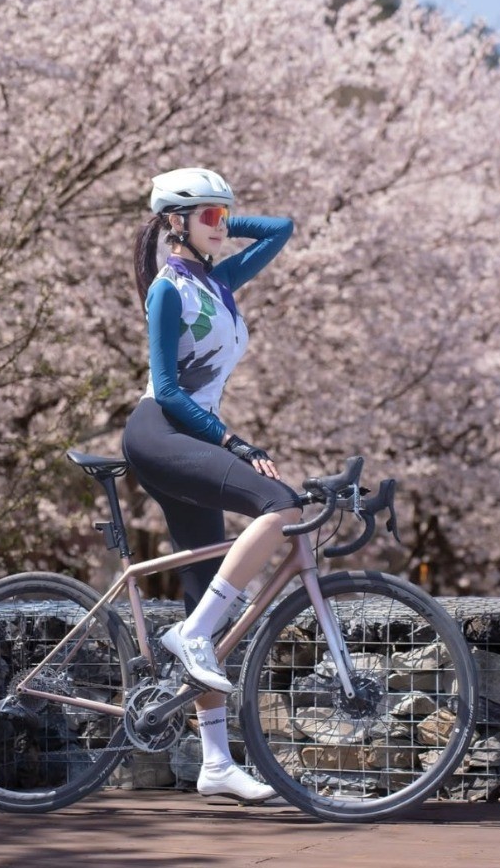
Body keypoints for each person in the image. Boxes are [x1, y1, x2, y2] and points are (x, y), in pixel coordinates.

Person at [123, 167, 301, 804]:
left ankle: (217, 761)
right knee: (279, 502)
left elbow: (280, 230)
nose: (223, 228)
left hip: (188, 437)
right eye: (210, 217)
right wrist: (234, 442)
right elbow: (168, 391)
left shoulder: (216, 281)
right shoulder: (169, 291)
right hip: (159, 432)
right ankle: (191, 637)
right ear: (175, 222)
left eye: (225, 218)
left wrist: (221, 215)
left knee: (206, 593)